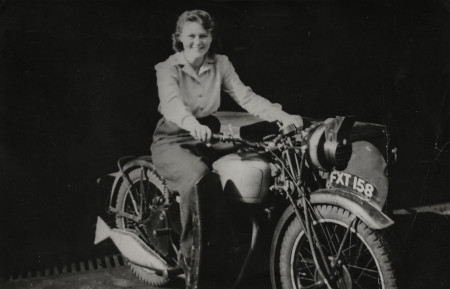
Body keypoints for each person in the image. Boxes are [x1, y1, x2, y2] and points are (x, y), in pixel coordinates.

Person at [150, 9, 303, 288]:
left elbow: (246, 97)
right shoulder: (167, 68)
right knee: (199, 178)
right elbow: (172, 104)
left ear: (211, 39)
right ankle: (192, 263)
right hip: (173, 137)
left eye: (203, 36)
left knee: (258, 160)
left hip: (209, 133)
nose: (197, 42)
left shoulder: (221, 64)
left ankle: (238, 249)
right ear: (180, 38)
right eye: (191, 36)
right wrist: (190, 123)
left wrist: (282, 116)